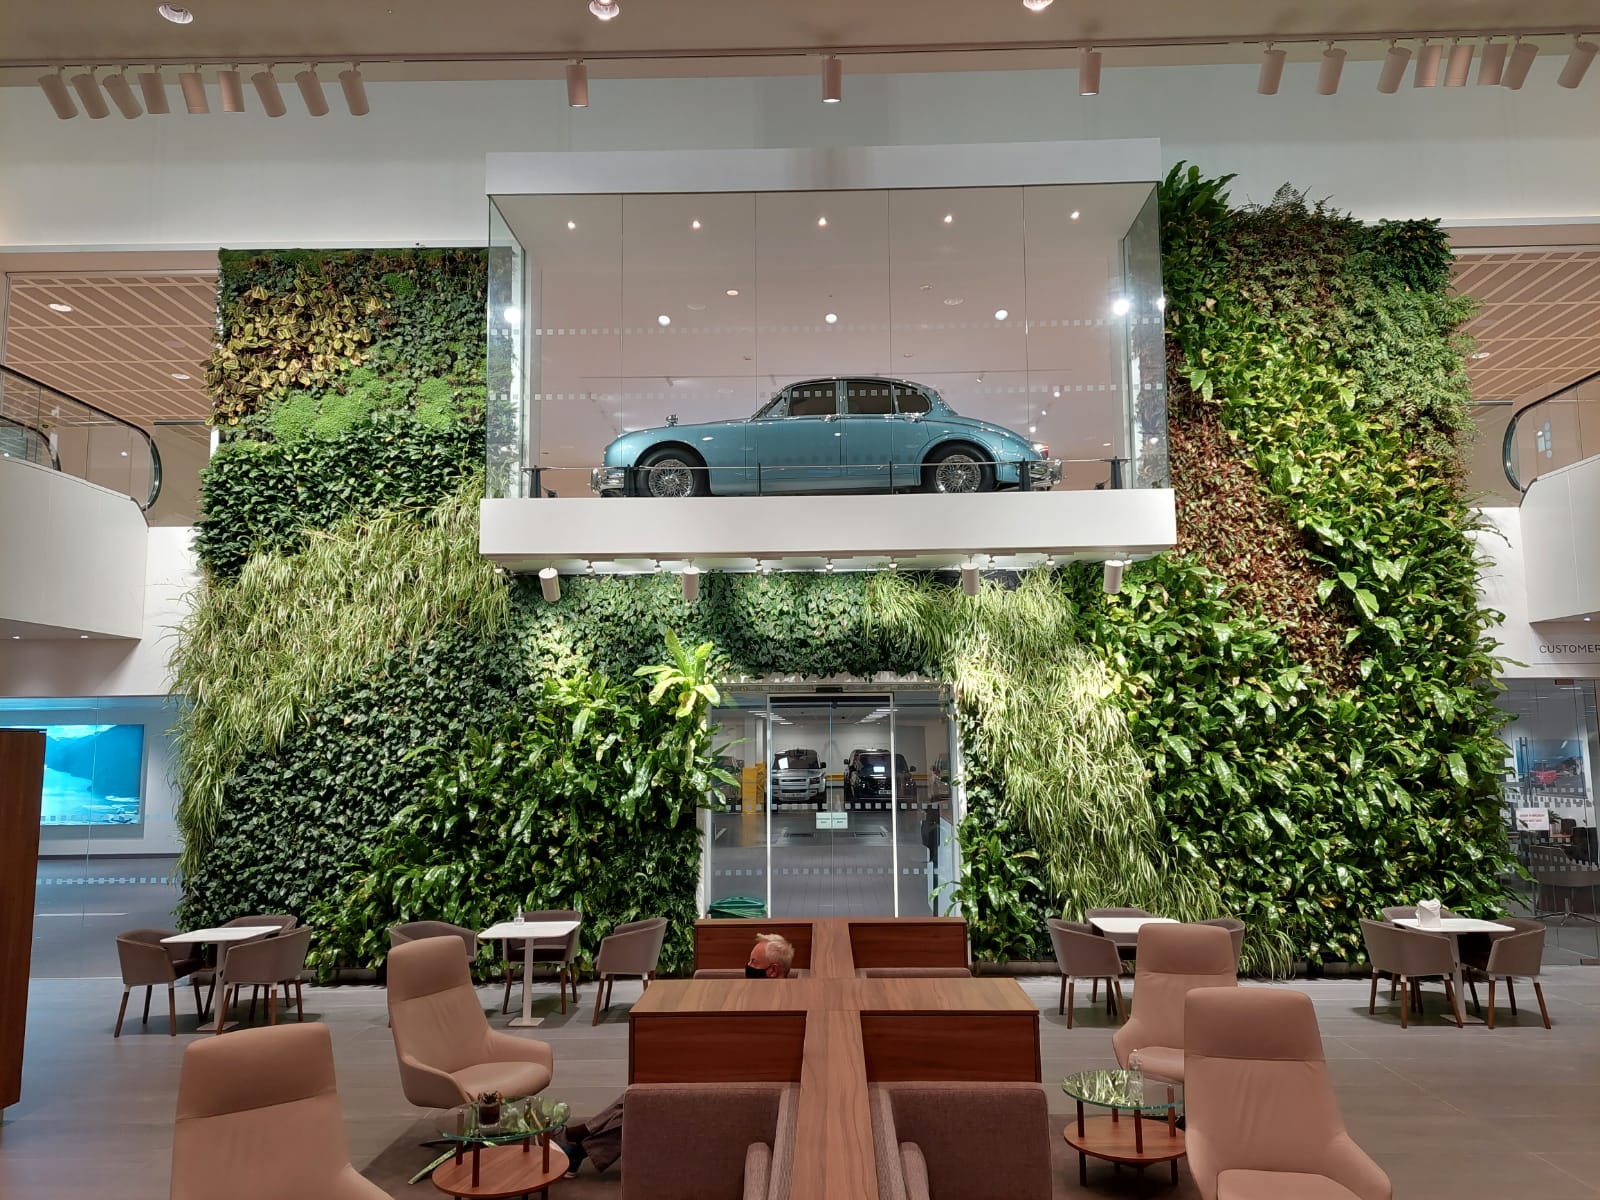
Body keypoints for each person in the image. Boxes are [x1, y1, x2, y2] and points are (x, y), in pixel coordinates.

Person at [556, 932, 794, 1177]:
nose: (747, 967)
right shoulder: (757, 994)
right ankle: (581, 1137)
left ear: (773, 971)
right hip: (717, 1065)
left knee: (650, 1098)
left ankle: (580, 1143)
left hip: (733, 1081)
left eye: (754, 963)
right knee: (644, 1086)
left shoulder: (780, 1006)